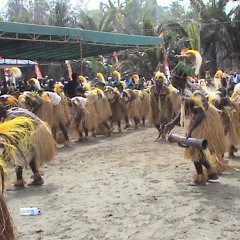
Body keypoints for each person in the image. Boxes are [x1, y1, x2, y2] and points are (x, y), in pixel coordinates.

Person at [0, 106, 56, 190]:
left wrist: (8, 145)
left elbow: (19, 135)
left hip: (33, 134)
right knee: (30, 157)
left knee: (18, 156)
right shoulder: (13, 111)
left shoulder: (11, 118)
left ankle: (19, 182)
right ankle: (38, 178)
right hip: (38, 131)